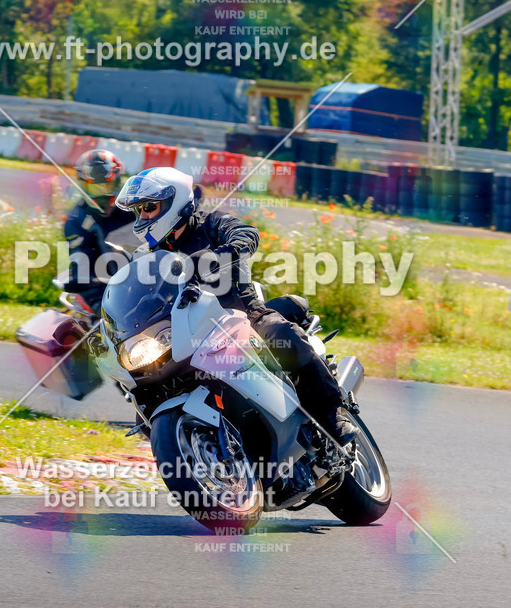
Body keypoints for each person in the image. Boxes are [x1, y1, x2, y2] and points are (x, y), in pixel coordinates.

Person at [114, 166, 356, 446]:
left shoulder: (211, 224)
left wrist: (213, 258)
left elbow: (246, 235)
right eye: (139, 210)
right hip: (187, 330)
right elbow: (135, 298)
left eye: (148, 208)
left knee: (283, 336)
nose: (143, 216)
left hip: (243, 315)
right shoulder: (148, 255)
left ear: (174, 201)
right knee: (147, 393)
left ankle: (333, 416)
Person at [62, 149, 134, 312]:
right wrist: (94, 290)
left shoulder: (135, 210)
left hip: (142, 282)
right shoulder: (76, 221)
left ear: (116, 183)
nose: (102, 194)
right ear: (83, 186)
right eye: (96, 188)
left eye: (107, 186)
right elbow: (81, 264)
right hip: (101, 288)